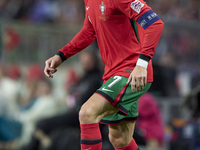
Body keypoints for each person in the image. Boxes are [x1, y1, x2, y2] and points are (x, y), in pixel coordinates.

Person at [44, 0, 164, 149]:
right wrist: (61, 55)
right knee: (119, 139)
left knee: (87, 112)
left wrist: (141, 64)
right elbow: (89, 31)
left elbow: (155, 24)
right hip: (113, 73)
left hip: (131, 72)